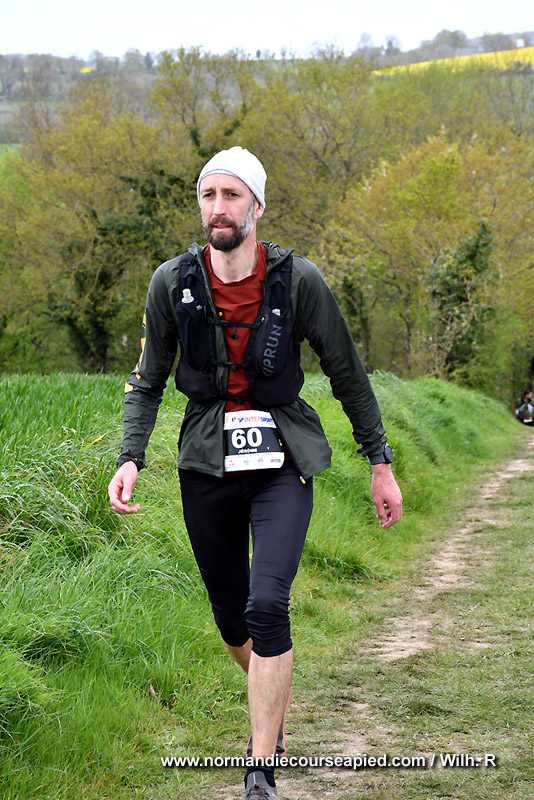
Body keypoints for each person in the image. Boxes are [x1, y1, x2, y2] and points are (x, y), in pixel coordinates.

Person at [108, 146, 402, 800]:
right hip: (205, 463)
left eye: (232, 195)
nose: (218, 207)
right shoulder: (172, 282)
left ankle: (260, 768)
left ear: (258, 206)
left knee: (267, 604)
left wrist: (380, 463)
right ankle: (272, 699)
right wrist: (130, 457)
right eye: (208, 195)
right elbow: (146, 380)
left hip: (282, 460)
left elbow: (349, 374)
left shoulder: (299, 282)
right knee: (231, 618)